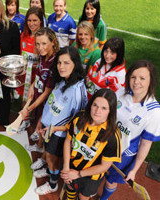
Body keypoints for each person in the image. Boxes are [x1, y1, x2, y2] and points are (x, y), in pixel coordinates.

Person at [100, 60, 160, 200]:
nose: (136, 82)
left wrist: (134, 170)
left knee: (110, 180)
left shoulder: (154, 111)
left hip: (123, 155)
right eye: (133, 77)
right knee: (96, 172)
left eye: (142, 78)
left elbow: (146, 144)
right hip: (103, 144)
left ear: (151, 81)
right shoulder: (120, 92)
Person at [32, 46, 87, 195]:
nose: (61, 67)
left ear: (75, 64)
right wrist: (41, 121)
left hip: (59, 134)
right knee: (49, 156)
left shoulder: (78, 91)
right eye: (59, 63)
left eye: (66, 63)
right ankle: (50, 171)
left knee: (52, 158)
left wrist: (54, 129)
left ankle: (53, 183)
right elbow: (52, 104)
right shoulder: (62, 80)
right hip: (49, 128)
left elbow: (78, 124)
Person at [61, 88, 121, 200]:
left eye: (104, 108)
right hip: (71, 164)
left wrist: (78, 174)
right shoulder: (80, 117)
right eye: (95, 105)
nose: (97, 111)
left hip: (90, 177)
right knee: (70, 185)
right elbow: (68, 141)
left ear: (110, 111)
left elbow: (104, 166)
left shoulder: (113, 136)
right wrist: (66, 167)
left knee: (83, 197)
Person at [20, 27, 60, 152]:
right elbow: (38, 74)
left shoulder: (55, 63)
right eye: (38, 44)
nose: (40, 47)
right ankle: (38, 145)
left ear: (53, 42)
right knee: (38, 123)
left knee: (42, 125)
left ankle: (42, 150)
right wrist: (32, 86)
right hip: (38, 98)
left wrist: (29, 108)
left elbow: (47, 92)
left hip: (46, 103)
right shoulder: (43, 56)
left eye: (44, 43)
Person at [16, 7, 44, 101]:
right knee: (23, 103)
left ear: (41, 20)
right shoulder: (24, 35)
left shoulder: (44, 38)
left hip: (36, 80)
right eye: (29, 20)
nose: (31, 24)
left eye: (35, 20)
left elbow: (45, 63)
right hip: (24, 78)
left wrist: (32, 66)